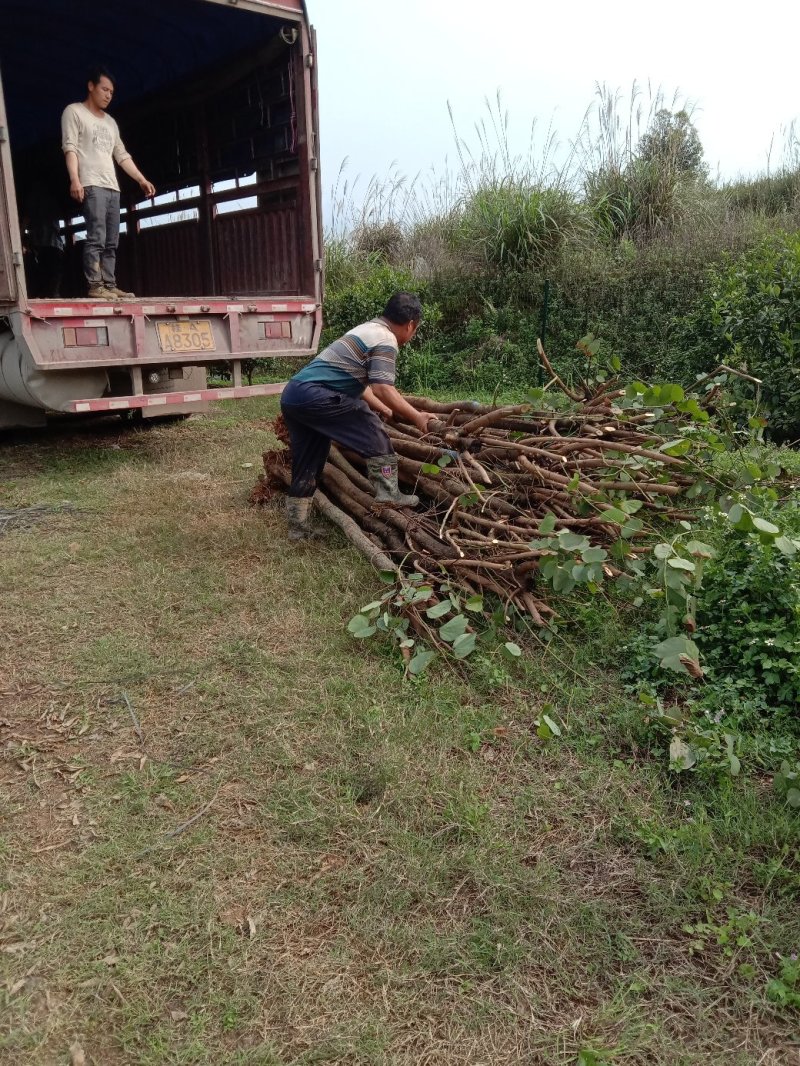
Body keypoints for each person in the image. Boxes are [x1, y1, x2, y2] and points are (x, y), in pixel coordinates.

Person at [280, 291, 435, 542]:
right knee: (371, 427)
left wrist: (385, 409)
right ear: (410, 325)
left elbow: (361, 384)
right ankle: (388, 492)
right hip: (316, 395)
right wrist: (418, 417)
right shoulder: (385, 339)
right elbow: (383, 387)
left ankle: (297, 528)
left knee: (310, 459)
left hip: (294, 395)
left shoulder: (366, 330)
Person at [61, 67, 155, 300]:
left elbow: (121, 155)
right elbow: (70, 147)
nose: (108, 95)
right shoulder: (74, 111)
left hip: (113, 187)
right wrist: (75, 179)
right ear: (91, 86)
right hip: (91, 184)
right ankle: (95, 285)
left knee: (112, 239)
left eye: (112, 92)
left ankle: (110, 285)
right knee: (97, 236)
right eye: (104, 89)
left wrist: (141, 179)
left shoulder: (111, 123)